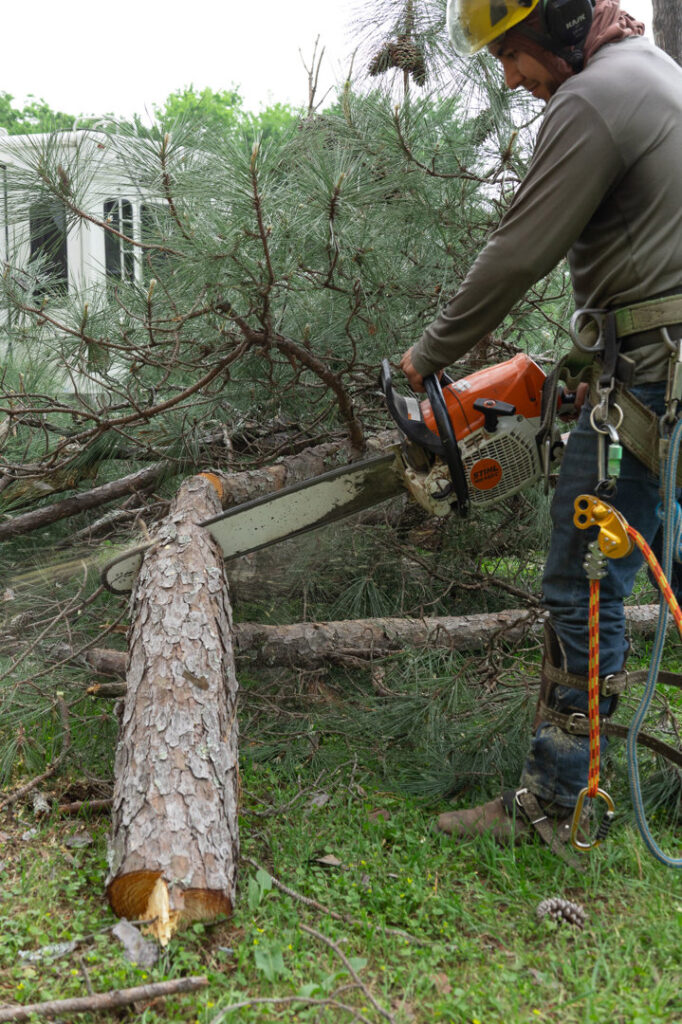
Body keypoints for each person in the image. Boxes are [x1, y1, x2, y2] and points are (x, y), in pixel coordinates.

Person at [399, 0, 682, 856]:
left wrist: (426, 356)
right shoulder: (652, 70)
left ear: (556, 29)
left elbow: (523, 250)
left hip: (652, 380)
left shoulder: (592, 98)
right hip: (654, 365)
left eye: (513, 54)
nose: (510, 77)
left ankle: (556, 804)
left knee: (581, 582)